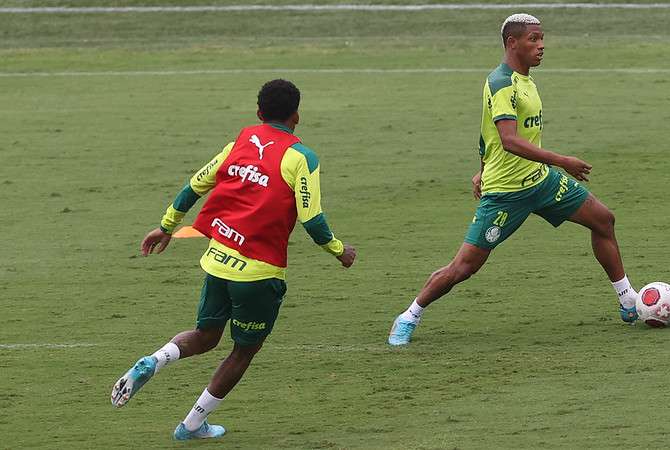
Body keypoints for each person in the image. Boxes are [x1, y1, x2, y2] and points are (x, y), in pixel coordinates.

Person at [111, 79, 356, 440]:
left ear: (259, 113)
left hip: (218, 261)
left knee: (206, 335)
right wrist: (340, 251)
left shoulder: (238, 144)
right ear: (297, 116)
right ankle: (192, 425)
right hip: (258, 273)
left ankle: (155, 360)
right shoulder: (302, 157)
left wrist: (165, 227)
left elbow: (195, 185)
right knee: (242, 351)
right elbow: (312, 220)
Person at [388, 13, 638, 346]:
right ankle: (410, 315)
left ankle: (627, 300)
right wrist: (563, 161)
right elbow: (508, 139)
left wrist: (482, 166)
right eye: (534, 39)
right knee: (464, 267)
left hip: (541, 181)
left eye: (542, 38)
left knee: (604, 220)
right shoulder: (501, 83)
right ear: (512, 43)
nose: (542, 45)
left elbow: (485, 135)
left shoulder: (526, 80)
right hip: (506, 193)